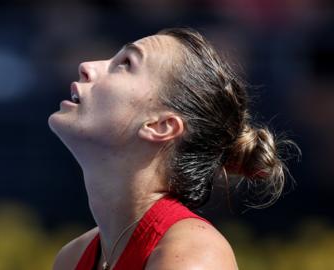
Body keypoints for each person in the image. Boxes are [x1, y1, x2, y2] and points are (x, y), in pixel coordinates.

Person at [48, 28, 299, 270]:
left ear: (161, 125)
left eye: (126, 63)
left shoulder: (193, 255)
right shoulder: (73, 257)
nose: (87, 66)